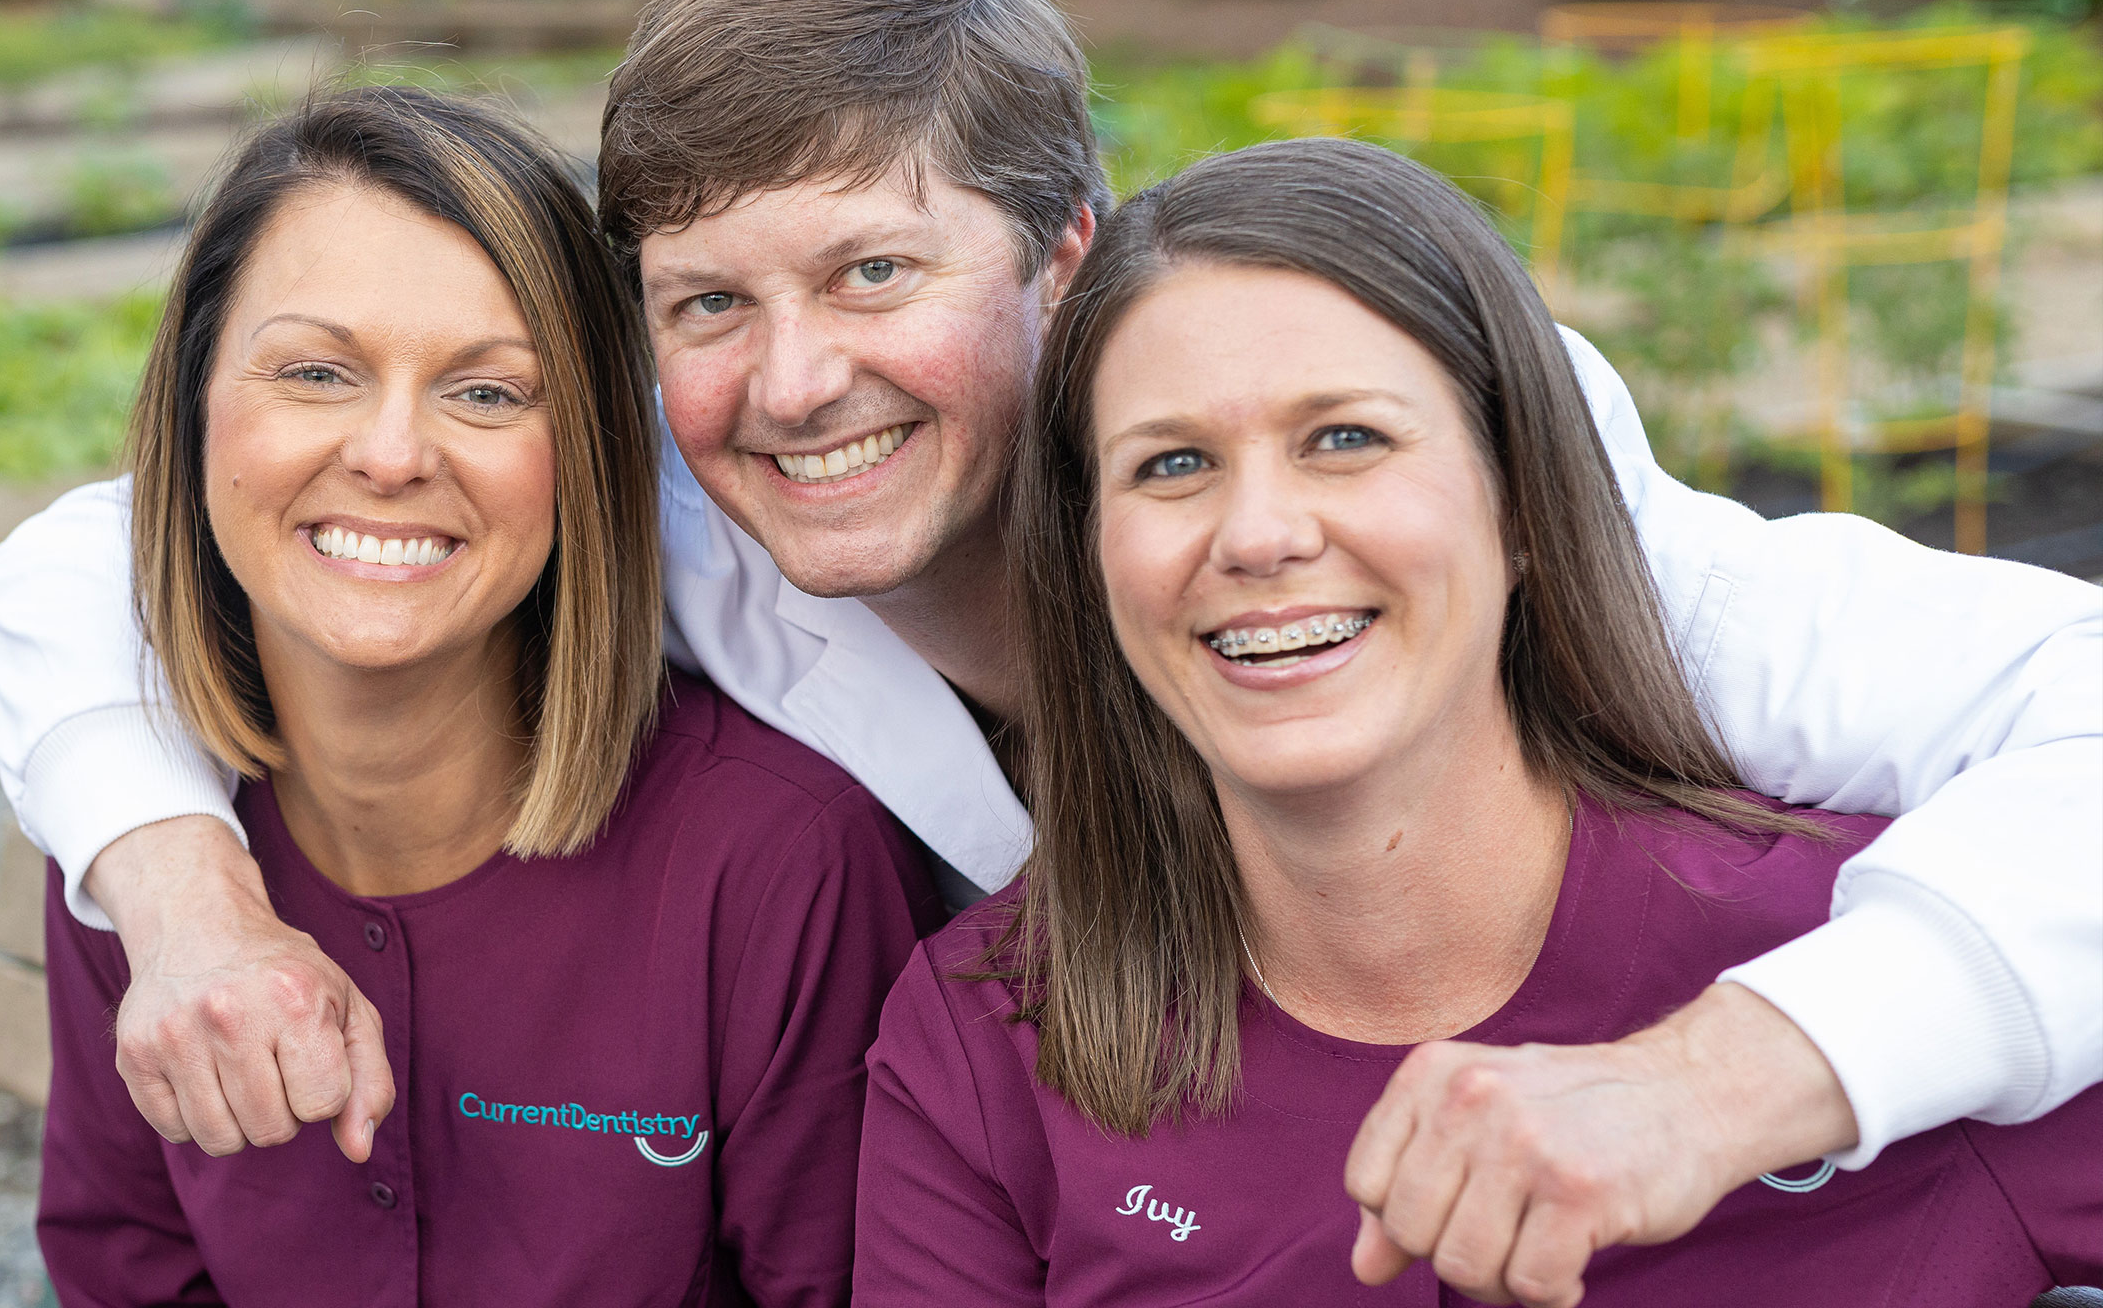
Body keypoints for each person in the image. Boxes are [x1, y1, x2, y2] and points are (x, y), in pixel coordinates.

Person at [0, 0, 2103, 1298]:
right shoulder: (690, 477)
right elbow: (134, 537)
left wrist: (1722, 1077)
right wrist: (183, 899)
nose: (793, 378)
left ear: (1064, 255)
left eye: (877, 273)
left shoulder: (1446, 484)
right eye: (707, 301)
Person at [855, 136, 2103, 1307]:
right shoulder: (994, 1039)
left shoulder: (1861, 959)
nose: (1259, 535)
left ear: (1519, 507)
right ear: (1089, 554)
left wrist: (1714, 1089)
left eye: (1344, 438)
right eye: (1170, 465)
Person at [32, 86, 936, 1308]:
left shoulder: (776, 863)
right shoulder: (146, 841)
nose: (393, 454)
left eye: (490, 392)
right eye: (314, 371)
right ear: (193, 408)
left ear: (592, 455)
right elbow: (125, 1266)